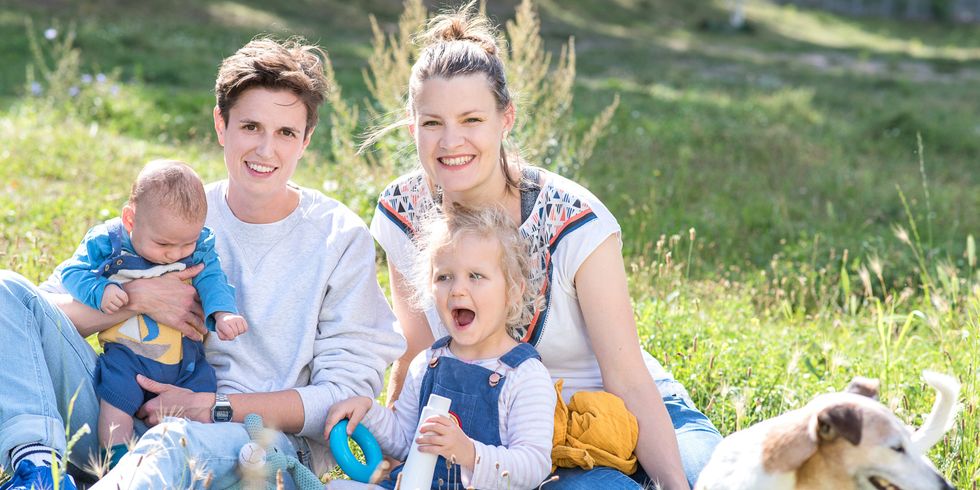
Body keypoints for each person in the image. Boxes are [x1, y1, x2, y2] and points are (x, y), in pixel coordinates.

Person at [0, 37, 405, 490]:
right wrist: (137, 300)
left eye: (286, 133)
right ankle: (36, 468)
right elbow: (42, 320)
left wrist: (213, 407)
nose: (266, 150)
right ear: (221, 124)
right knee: (6, 292)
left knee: (174, 442)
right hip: (121, 411)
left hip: (250, 442)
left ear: (306, 140)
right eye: (251, 126)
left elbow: (344, 396)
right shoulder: (177, 208)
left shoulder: (337, 236)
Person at [368, 6, 721, 490]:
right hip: (494, 437)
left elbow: (628, 378)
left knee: (714, 482)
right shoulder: (403, 210)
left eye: (471, 118)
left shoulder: (574, 220)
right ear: (413, 128)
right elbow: (415, 353)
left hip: (612, 412)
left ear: (505, 119)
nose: (451, 142)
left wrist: (676, 484)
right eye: (432, 123)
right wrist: (400, 454)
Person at [325, 205, 556, 489]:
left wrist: (469, 453)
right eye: (444, 277)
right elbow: (404, 439)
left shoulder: (524, 375)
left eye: (476, 276)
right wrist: (368, 411)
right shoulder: (428, 363)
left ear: (513, 291)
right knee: (336, 487)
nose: (457, 289)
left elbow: (534, 465)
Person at [59, 159, 248, 468]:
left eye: (186, 242)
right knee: (115, 399)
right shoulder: (109, 243)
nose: (175, 254)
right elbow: (73, 272)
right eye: (163, 244)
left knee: (202, 388)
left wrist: (224, 313)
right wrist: (100, 291)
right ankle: (117, 462)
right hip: (129, 353)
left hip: (185, 360)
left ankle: (188, 465)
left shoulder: (198, 248)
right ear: (131, 220)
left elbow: (213, 278)